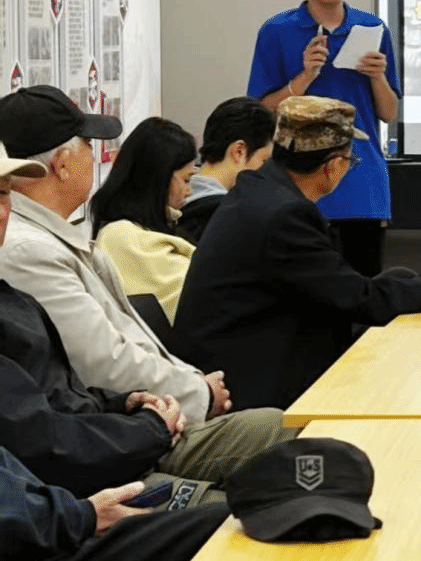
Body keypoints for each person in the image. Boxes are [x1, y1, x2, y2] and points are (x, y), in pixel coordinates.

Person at [0, 86, 295, 484]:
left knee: (286, 433)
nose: (95, 157)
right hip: (121, 439)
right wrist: (198, 396)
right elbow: (101, 362)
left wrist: (189, 387)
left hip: (132, 420)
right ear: (64, 164)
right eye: (88, 145)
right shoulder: (27, 250)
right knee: (284, 437)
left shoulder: (48, 239)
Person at [175, 95, 421, 409]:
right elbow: (360, 300)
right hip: (251, 386)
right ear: (334, 165)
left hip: (243, 360)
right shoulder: (284, 215)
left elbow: (344, 290)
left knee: (399, 290)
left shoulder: (259, 193)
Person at [248, 0, 400, 277]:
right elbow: (261, 111)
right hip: (299, 181)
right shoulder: (277, 30)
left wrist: (377, 76)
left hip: (361, 180)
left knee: (363, 286)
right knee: (303, 290)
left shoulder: (372, 29)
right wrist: (304, 77)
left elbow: (389, 112)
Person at [0, 446, 228, 561]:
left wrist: (122, 402)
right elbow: (49, 439)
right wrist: (82, 515)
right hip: (32, 555)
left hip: (53, 519)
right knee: (222, 526)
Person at [91, 117, 198, 322]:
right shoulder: (121, 237)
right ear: (159, 178)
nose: (189, 191)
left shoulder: (151, 230)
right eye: (186, 179)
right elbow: (201, 294)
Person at [175, 97, 275, 245]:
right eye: (264, 160)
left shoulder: (170, 202)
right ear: (239, 151)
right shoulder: (235, 217)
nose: (266, 172)